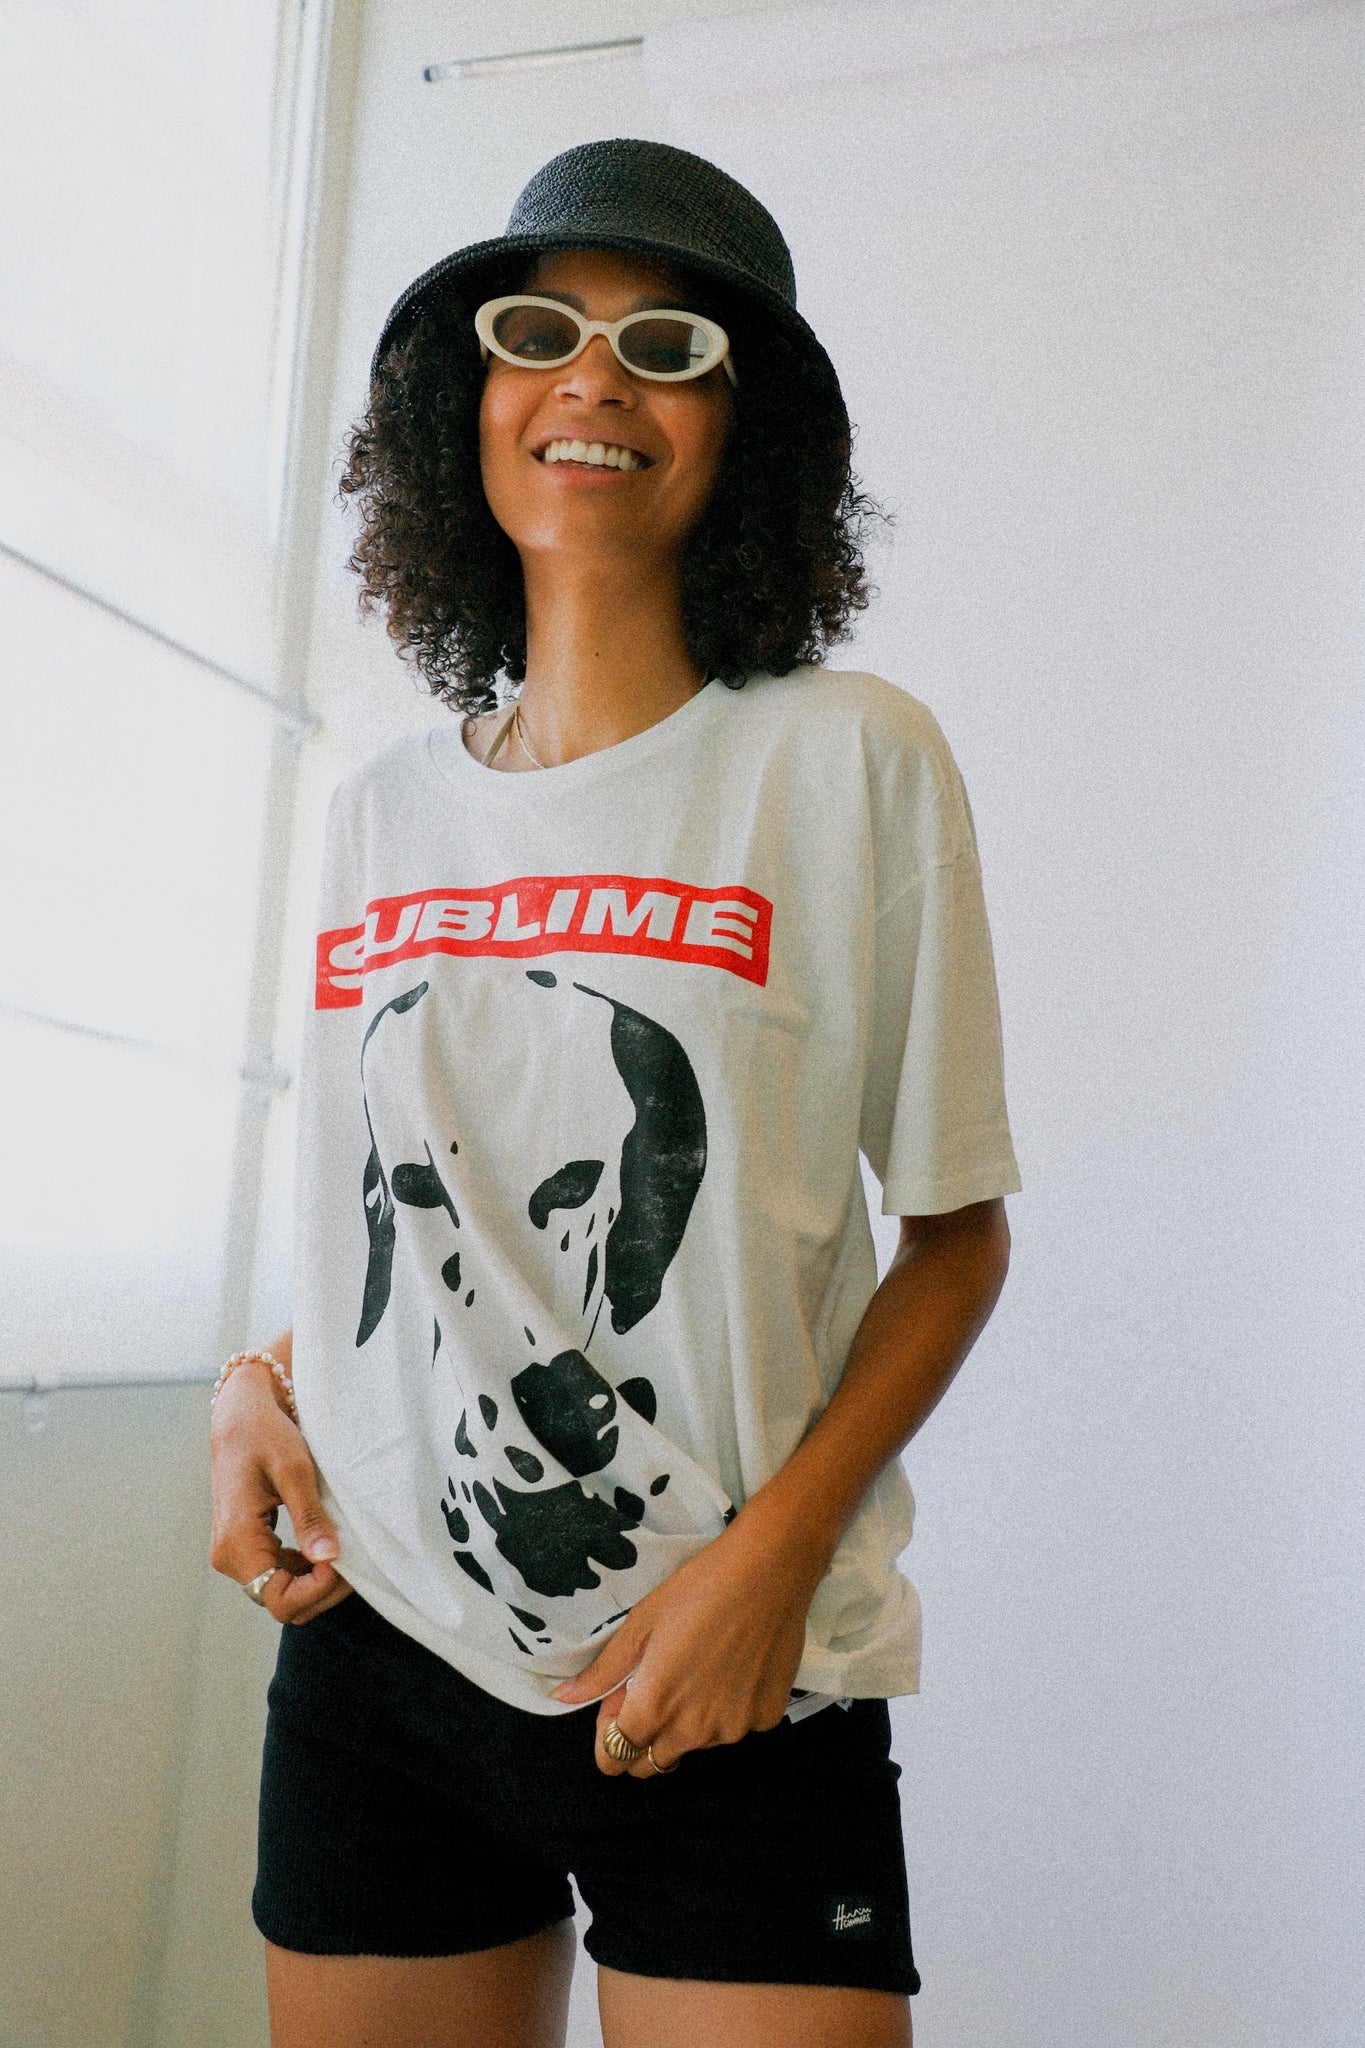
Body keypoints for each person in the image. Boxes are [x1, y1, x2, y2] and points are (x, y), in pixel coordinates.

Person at [209, 138, 1022, 2048]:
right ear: (463, 405)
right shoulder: (379, 813)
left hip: (728, 1659)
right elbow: (418, 1214)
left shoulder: (844, 760)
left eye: (666, 346)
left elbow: (956, 1233)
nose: (593, 378)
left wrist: (772, 1565)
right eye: (537, 332)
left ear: (743, 433)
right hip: (380, 1658)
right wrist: (258, 1383)